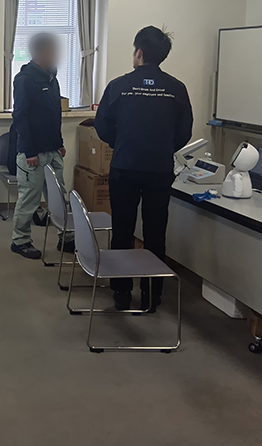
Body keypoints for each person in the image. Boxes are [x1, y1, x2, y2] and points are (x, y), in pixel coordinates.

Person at [94, 26, 193, 312]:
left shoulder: (118, 85)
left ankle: (121, 293)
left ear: (138, 52)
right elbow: (184, 131)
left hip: (124, 166)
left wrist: (123, 143)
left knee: (122, 230)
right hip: (159, 169)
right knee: (155, 232)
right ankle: (152, 295)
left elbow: (102, 125)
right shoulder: (177, 88)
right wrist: (162, 148)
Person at [10, 32, 68, 259]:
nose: (57, 54)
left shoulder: (51, 77)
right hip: (32, 153)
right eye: (53, 50)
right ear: (41, 52)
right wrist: (29, 151)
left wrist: (59, 143)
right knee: (29, 199)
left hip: (53, 150)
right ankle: (20, 240)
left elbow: (54, 114)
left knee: (59, 197)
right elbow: (20, 117)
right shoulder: (25, 79)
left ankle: (66, 237)